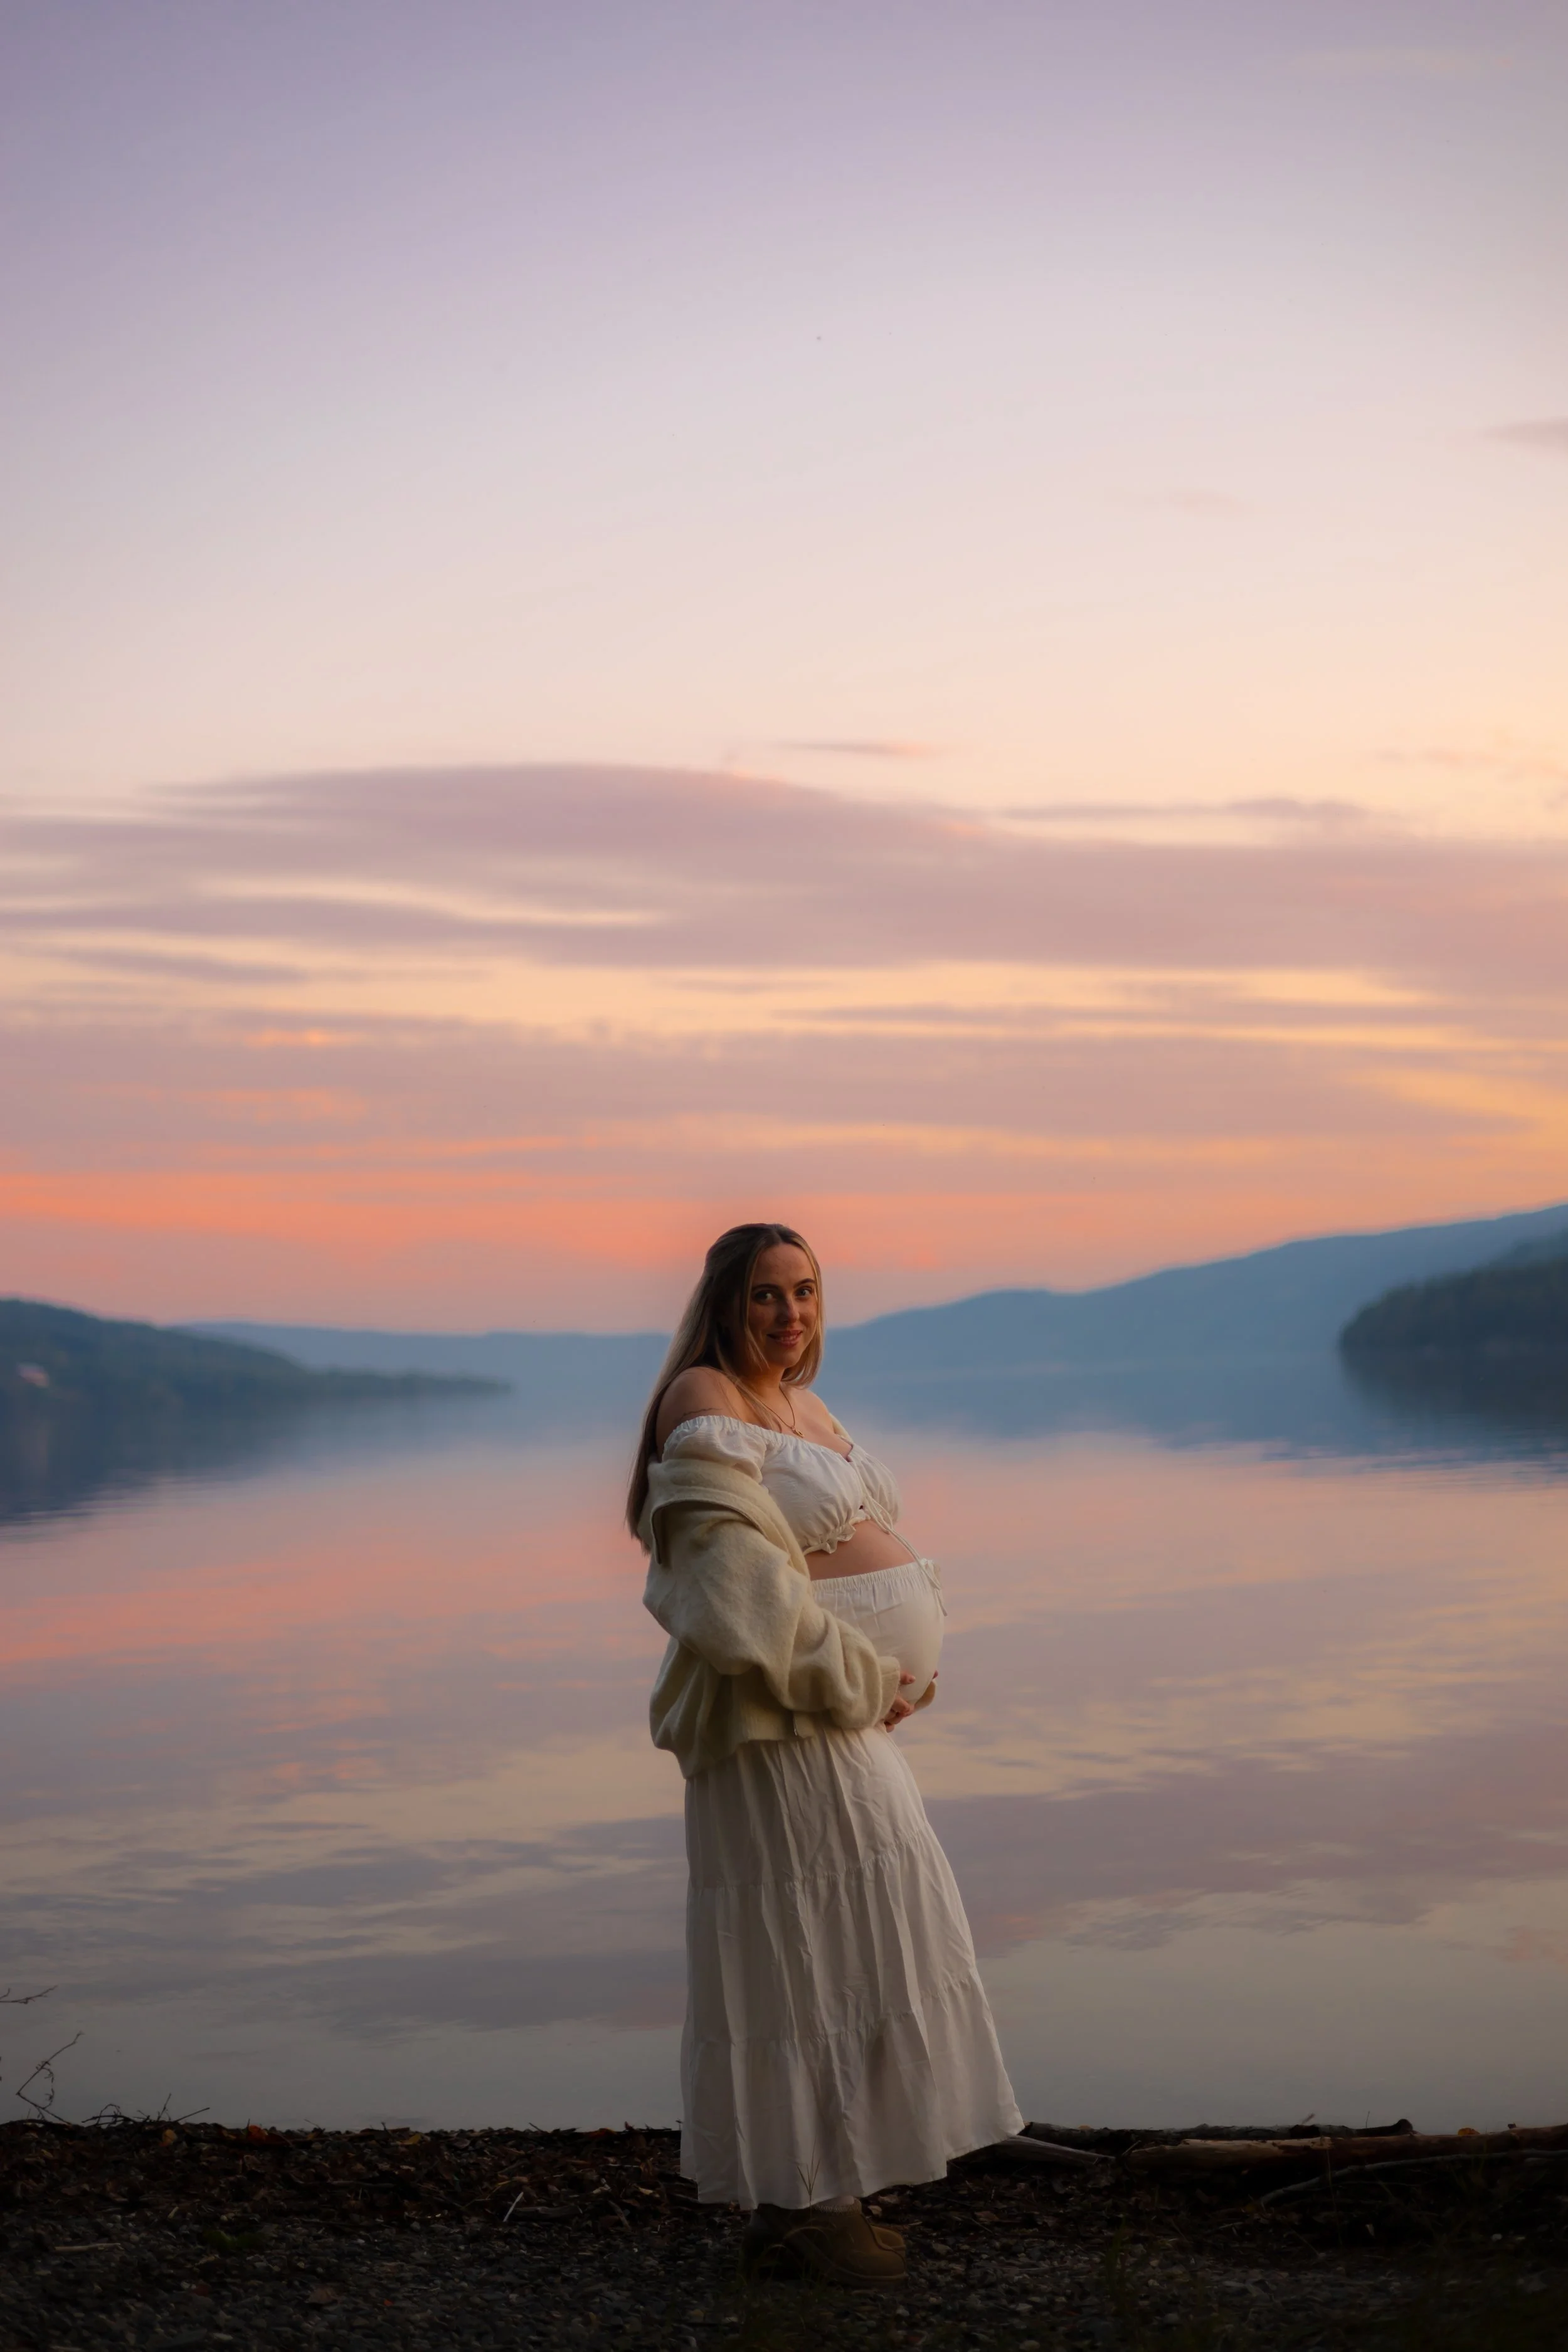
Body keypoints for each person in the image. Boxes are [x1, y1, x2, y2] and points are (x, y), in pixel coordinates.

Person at [628, 1222, 1022, 2289]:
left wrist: (908, 1668)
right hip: (776, 1725)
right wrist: (857, 1676)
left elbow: (849, 1556)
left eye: (805, 1292)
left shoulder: (806, 1406)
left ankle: (820, 2196)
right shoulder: (701, 1400)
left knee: (866, 1930)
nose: (790, 1313)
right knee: (803, 1949)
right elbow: (729, 1594)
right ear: (725, 1302)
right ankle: (809, 2212)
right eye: (766, 1294)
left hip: (835, 1715)